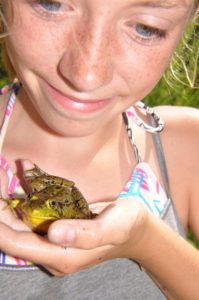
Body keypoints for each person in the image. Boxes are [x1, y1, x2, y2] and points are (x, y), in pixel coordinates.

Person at [0, 0, 199, 299]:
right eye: (51, 4)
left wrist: (147, 241)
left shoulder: (186, 148)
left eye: (146, 27)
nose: (86, 75)